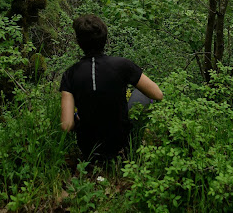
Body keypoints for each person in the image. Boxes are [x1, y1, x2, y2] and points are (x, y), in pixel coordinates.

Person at [60, 14, 163, 160]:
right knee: (144, 93)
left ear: (78, 42)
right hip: (121, 144)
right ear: (105, 39)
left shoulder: (70, 74)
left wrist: (77, 117)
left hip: (89, 150)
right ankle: (135, 142)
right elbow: (157, 94)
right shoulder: (123, 65)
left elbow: (66, 125)